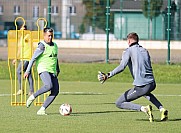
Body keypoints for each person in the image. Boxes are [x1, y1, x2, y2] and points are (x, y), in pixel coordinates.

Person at [98, 32, 168, 122]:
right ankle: (162, 109)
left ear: (129, 40)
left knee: (119, 103)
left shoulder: (128, 50)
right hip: (152, 83)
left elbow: (121, 67)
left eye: (127, 40)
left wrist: (108, 75)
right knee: (146, 93)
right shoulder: (144, 50)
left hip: (142, 86)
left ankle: (144, 109)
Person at [24, 27, 60, 115]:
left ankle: (42, 110)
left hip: (52, 70)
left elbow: (55, 57)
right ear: (44, 36)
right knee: (49, 85)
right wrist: (27, 71)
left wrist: (58, 68)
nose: (50, 38)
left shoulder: (55, 45)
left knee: (55, 90)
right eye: (48, 36)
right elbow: (33, 59)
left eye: (51, 36)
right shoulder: (42, 46)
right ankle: (33, 96)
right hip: (43, 69)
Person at [12, 25, 34, 96]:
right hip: (22, 58)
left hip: (27, 58)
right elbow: (19, 49)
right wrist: (16, 58)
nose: (22, 30)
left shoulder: (28, 36)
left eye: (24, 29)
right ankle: (31, 91)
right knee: (28, 73)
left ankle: (21, 89)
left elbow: (32, 47)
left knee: (18, 71)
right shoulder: (21, 38)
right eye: (21, 29)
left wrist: (32, 59)